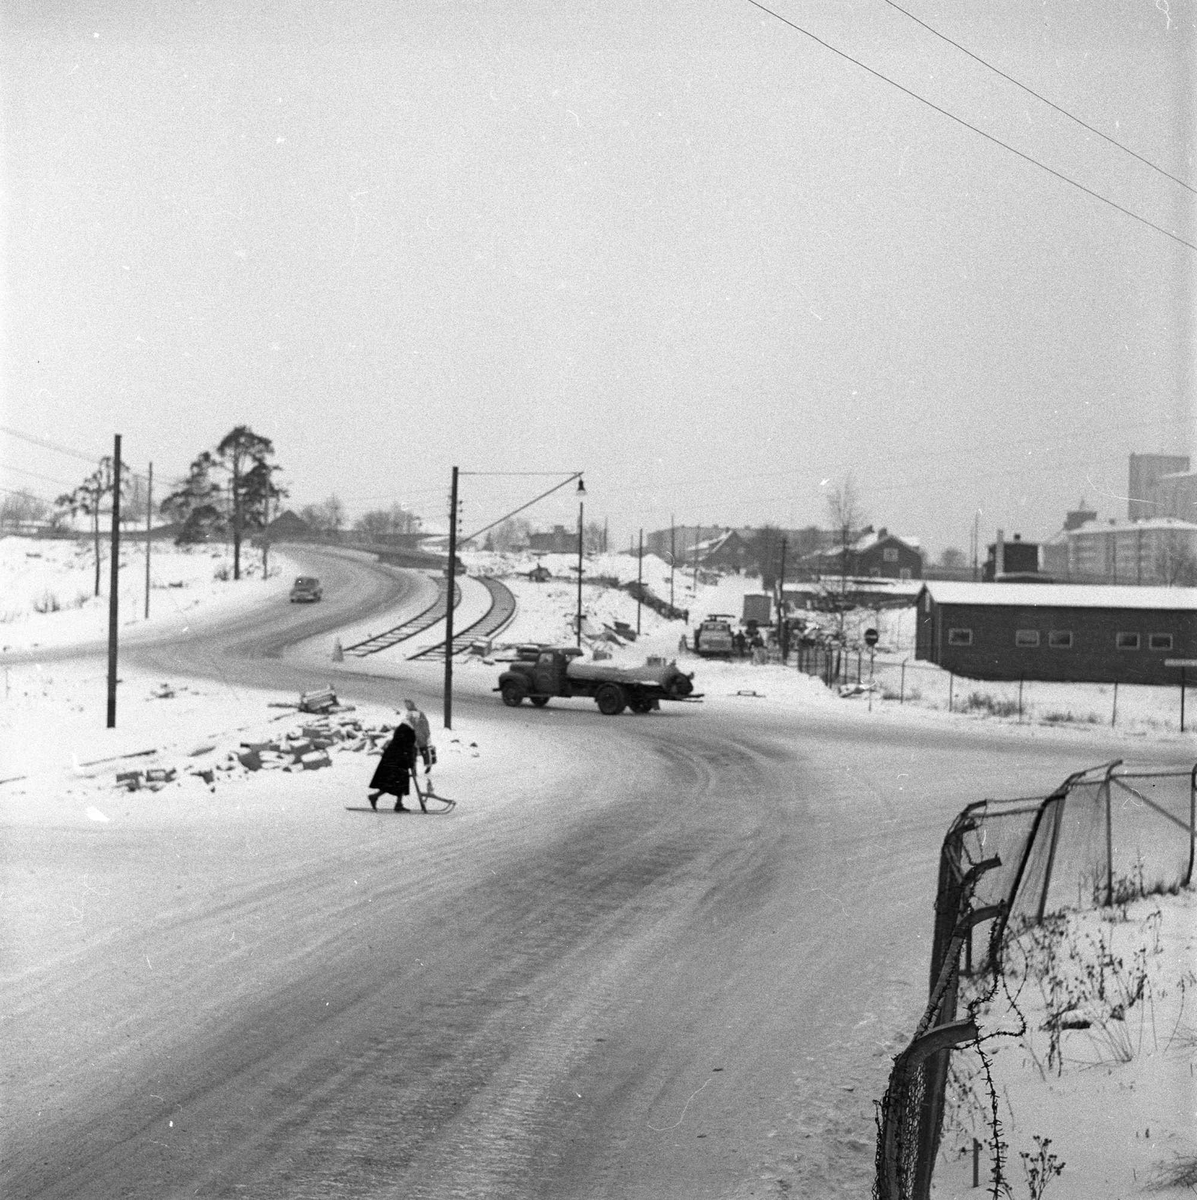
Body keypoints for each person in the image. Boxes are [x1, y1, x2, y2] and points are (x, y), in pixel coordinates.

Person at [367, 715, 423, 812]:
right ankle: (378, 797)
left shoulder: (405, 728)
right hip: (396, 760)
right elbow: (406, 746)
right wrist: (410, 761)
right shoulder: (406, 729)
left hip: (396, 758)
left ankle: (396, 803)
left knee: (397, 782)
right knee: (395, 782)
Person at [402, 698, 433, 774]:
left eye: (407, 704)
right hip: (419, 735)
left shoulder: (414, 713)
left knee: (416, 752)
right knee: (421, 751)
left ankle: (415, 770)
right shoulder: (417, 713)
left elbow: (410, 723)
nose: (406, 706)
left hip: (417, 735)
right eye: (406, 705)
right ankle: (425, 766)